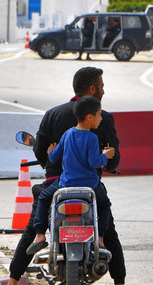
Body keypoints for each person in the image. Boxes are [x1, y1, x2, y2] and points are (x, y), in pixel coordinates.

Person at [1, 67, 135, 285]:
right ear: (93, 89)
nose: (104, 90)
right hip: (90, 188)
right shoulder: (101, 117)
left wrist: (54, 162)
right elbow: (112, 161)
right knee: (109, 230)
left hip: (57, 184)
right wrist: (107, 160)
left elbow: (44, 155)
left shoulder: (52, 115)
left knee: (31, 230)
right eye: (102, 85)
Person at [27, 96, 115, 255]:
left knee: (44, 198)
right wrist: (106, 156)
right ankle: (101, 238)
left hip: (65, 184)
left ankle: (39, 235)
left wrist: (50, 152)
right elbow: (94, 163)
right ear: (90, 117)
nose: (101, 118)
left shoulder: (67, 134)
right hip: (90, 185)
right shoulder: (92, 138)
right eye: (99, 115)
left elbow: (53, 158)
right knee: (104, 205)